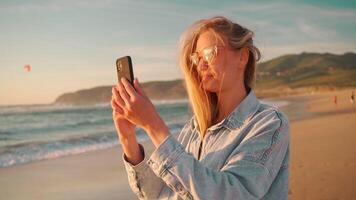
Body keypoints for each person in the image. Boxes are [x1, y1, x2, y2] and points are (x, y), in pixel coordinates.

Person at [111, 16, 289, 200]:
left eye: (209, 53)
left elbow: (230, 195)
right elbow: (165, 195)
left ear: (243, 57)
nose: (201, 65)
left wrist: (153, 126)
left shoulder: (270, 123)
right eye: (197, 58)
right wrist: (128, 140)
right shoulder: (194, 129)